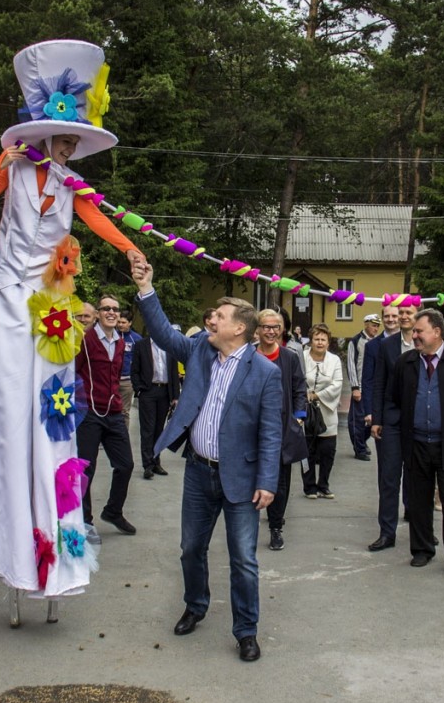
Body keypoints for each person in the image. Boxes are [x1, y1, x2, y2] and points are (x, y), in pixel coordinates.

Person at [0, 40, 145, 599]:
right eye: (59, 140)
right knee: (10, 392)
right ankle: (7, 478)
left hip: (53, 298)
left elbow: (99, 220)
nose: (64, 149)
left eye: (71, 142)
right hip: (10, 291)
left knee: (52, 399)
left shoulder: (71, 185)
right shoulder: (16, 172)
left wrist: (129, 249)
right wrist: (0, 161)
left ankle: (54, 498)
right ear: (40, 137)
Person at [131, 259, 282, 663]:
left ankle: (246, 631)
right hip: (199, 471)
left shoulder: (265, 373)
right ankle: (195, 605)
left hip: (242, 478)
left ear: (239, 329)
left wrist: (268, 480)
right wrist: (146, 286)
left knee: (244, 560)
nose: (210, 319)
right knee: (190, 548)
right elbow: (162, 333)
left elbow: (271, 431)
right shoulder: (199, 348)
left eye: (218, 315)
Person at [377, 309, 444, 571]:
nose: (414, 336)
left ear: (436, 332)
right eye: (413, 332)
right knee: (419, 500)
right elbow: (396, 397)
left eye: (418, 331)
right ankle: (422, 549)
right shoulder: (406, 363)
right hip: (416, 443)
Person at [75, 294, 137, 537]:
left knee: (126, 465)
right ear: (98, 313)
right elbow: (73, 371)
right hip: (89, 412)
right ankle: (85, 521)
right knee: (85, 470)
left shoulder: (120, 343)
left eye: (116, 309)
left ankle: (113, 511)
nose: (112, 313)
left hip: (113, 412)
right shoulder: (85, 340)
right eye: (106, 309)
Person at [255, 309, 308, 551]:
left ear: (282, 330)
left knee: (280, 482)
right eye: (266, 326)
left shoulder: (289, 358)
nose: (271, 331)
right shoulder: (249, 356)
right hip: (251, 429)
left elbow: (299, 388)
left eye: (275, 327)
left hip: (282, 429)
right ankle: (246, 526)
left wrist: (298, 417)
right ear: (257, 329)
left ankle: (276, 527)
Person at [366, 303, 416, 551]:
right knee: (389, 478)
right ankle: (387, 533)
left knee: (419, 478)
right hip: (392, 421)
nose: (404, 317)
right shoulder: (387, 345)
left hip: (420, 422)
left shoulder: (425, 342)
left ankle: (422, 531)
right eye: (401, 313)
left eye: (408, 313)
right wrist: (377, 419)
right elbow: (379, 383)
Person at [131, 324, 181, 481]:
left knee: (160, 429)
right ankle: (147, 465)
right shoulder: (141, 345)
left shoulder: (169, 346)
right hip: (148, 391)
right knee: (148, 429)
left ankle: (156, 461)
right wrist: (139, 389)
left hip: (165, 392)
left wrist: (175, 395)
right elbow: (135, 370)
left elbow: (173, 372)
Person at [300, 324, 343, 499]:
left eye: (323, 339)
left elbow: (337, 383)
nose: (319, 342)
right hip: (306, 410)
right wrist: (305, 396)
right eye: (316, 339)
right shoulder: (301, 357)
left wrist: (317, 395)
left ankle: (323, 485)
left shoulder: (334, 360)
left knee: (328, 451)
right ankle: (309, 486)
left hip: (327, 410)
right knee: (307, 451)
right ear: (311, 340)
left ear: (328, 341)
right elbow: (297, 380)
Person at [346, 314, 381, 460]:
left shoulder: (380, 342)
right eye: (373, 325)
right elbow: (351, 365)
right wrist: (355, 387)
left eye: (378, 325)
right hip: (360, 386)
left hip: (374, 388)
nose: (376, 328)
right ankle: (359, 449)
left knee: (372, 419)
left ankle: (362, 442)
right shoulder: (356, 341)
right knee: (357, 421)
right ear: (366, 324)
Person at [117, 306, 142, 428]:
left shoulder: (136, 339)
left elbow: (141, 360)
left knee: (124, 411)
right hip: (111, 380)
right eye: (119, 322)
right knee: (107, 409)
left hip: (127, 381)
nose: (121, 325)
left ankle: (123, 437)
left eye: (124, 322)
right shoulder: (111, 335)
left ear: (130, 323)